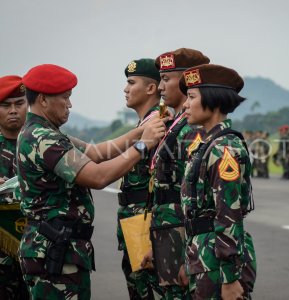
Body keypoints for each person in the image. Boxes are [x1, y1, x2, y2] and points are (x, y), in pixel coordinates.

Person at [17, 64, 166, 299]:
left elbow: (95, 152)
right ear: (44, 100)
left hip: (61, 246)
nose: (70, 104)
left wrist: (138, 133)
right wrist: (142, 146)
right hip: (53, 250)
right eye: (65, 98)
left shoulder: (47, 132)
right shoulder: (42, 139)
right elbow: (98, 176)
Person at [179, 64, 257, 299]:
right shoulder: (209, 144)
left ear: (213, 101)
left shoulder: (223, 149)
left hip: (217, 264)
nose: (185, 104)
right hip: (204, 256)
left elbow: (227, 215)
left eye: (191, 97)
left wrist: (230, 277)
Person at [142, 48, 210, 299]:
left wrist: (189, 255)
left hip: (182, 236)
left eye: (166, 79)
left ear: (186, 81)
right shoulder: (176, 123)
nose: (160, 86)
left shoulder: (193, 129)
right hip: (168, 232)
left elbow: (196, 198)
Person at [117, 58, 164, 299]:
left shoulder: (158, 124)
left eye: (131, 82)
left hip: (145, 221)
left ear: (151, 88)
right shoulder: (146, 124)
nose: (125, 89)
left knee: (146, 290)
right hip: (136, 219)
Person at [0, 75, 29, 299]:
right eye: (5, 105)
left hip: (39, 248)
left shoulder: (42, 142)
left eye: (19, 103)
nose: (13, 111)